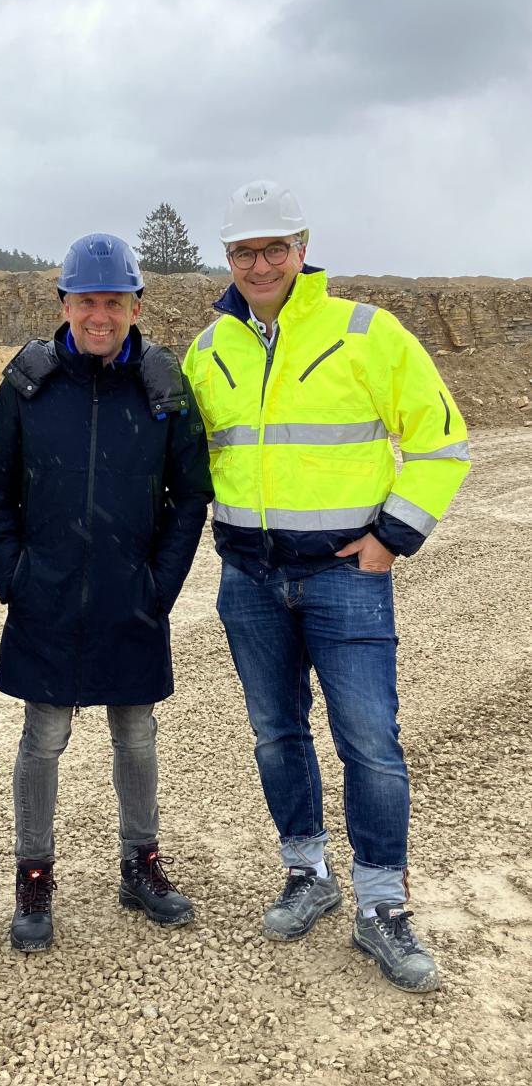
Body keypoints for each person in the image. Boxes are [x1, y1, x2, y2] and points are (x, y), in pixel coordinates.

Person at [182, 180, 470, 992]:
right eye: (246, 250)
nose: (262, 263)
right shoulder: (209, 351)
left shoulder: (368, 334)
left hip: (346, 577)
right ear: (228, 260)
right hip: (249, 579)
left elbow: (444, 441)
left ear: (303, 250)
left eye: (277, 247)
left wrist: (390, 539)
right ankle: (307, 870)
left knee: (370, 741)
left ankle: (381, 903)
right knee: (277, 734)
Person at [0, 233, 212, 951]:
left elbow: (190, 495)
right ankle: (34, 879)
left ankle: (140, 864)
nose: (100, 315)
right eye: (87, 301)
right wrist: (14, 575)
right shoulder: (28, 383)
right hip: (44, 596)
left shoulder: (163, 387)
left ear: (136, 306)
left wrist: (159, 586)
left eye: (115, 302)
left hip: (129, 597)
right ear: (64, 303)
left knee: (136, 734)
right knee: (42, 739)